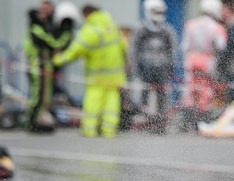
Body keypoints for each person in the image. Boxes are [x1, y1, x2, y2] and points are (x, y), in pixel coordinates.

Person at [53, 5, 127, 138]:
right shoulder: (112, 26)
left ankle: (90, 130)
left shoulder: (90, 29)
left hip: (96, 77)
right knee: (111, 105)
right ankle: (109, 131)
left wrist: (58, 59)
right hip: (114, 77)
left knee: (93, 104)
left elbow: (75, 50)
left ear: (87, 14)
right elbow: (124, 46)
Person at [23, 1, 69, 132]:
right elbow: (53, 43)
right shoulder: (37, 29)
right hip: (38, 67)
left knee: (44, 96)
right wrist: (66, 32)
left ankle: (39, 120)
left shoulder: (44, 26)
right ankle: (33, 121)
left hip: (43, 66)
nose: (43, 15)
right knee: (37, 95)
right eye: (41, 12)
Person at [130, 0, 177, 128]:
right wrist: (136, 67)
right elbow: (134, 50)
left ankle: (160, 122)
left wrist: (171, 67)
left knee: (162, 95)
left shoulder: (167, 30)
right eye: (156, 12)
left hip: (162, 68)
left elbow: (172, 50)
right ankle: (145, 120)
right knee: (144, 94)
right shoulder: (141, 29)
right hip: (145, 68)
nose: (158, 15)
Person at [181, 0, 227, 117]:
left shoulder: (190, 24)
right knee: (206, 91)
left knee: (190, 90)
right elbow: (221, 46)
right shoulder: (217, 27)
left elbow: (185, 46)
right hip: (207, 62)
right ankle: (202, 116)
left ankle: (188, 117)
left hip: (191, 60)